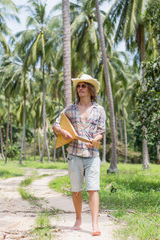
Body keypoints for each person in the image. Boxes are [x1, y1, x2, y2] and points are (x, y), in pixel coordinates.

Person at [52, 74, 106, 237]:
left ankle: (95, 224)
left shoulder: (99, 110)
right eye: (78, 86)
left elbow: (101, 131)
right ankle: (78, 219)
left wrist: (95, 139)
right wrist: (62, 131)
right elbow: (55, 124)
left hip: (92, 154)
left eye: (83, 85)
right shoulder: (69, 109)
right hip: (74, 154)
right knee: (76, 190)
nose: (80, 88)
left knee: (93, 189)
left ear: (90, 89)